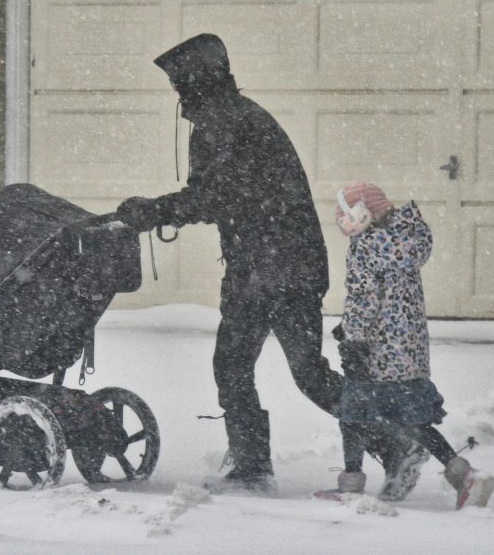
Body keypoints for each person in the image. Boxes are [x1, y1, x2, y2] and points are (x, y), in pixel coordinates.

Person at [116, 33, 423, 494]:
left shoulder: (224, 122)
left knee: (246, 368)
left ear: (196, 81)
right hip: (281, 263)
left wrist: (154, 211)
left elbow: (215, 196)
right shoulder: (239, 114)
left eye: (180, 83)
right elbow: (227, 196)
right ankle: (383, 444)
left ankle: (261, 466)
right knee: (291, 371)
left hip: (270, 268)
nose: (177, 93)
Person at [325, 182, 494, 508]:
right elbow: (393, 297)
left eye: (345, 217)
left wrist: (353, 337)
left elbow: (363, 297)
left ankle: (351, 486)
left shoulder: (366, 246)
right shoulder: (403, 239)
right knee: (412, 419)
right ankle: (464, 476)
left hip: (373, 351)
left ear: (362, 213)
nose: (343, 225)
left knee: (352, 415)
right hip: (406, 351)